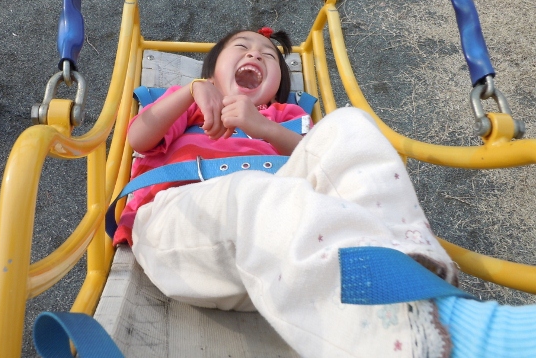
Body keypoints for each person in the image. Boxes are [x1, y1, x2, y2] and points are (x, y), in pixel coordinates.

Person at [113, 28, 536, 358]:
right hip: (181, 229)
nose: (255, 54)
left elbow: (323, 160)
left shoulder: (286, 116)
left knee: (349, 126)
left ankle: (410, 273)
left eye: (268, 55)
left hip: (289, 261)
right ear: (212, 71)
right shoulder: (189, 102)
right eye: (241, 47)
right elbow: (138, 138)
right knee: (252, 194)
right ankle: (446, 335)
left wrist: (263, 128)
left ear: (278, 84)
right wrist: (191, 91)